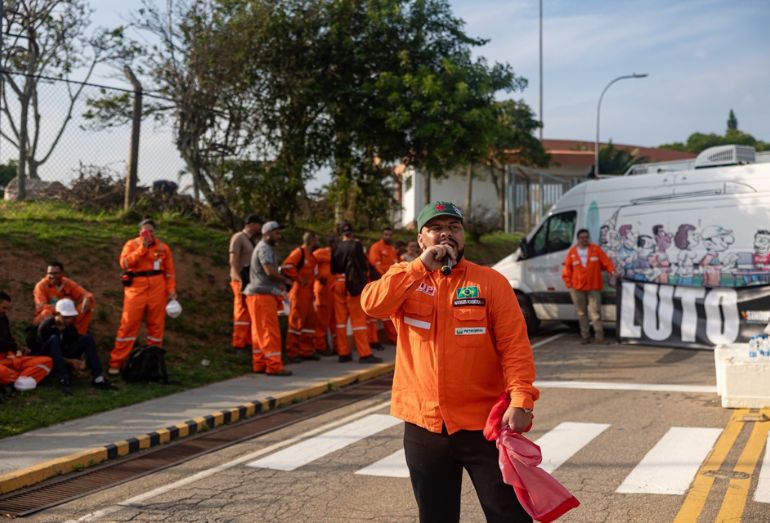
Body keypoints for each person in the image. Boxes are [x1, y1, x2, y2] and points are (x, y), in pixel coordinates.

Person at [361, 201, 537, 522]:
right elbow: (372, 305)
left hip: (482, 425)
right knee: (436, 516)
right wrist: (418, 267)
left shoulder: (490, 282)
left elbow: (514, 346)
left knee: (509, 515)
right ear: (421, 239)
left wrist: (521, 399)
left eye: (454, 227)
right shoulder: (405, 277)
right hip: (424, 426)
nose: (446, 234)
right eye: (436, 228)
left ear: (463, 236)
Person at [109, 218, 177, 373]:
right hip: (135, 288)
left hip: (157, 288)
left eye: (151, 231)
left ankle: (153, 362)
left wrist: (171, 290)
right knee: (128, 324)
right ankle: (116, 362)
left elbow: (170, 272)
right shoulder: (131, 244)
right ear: (139, 231)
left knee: (156, 326)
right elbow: (125, 264)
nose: (149, 234)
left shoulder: (163, 247)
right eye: (145, 231)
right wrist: (142, 248)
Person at [243, 221, 293, 376]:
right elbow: (269, 271)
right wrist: (284, 280)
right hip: (263, 295)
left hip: (256, 294)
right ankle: (274, 365)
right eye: (276, 233)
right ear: (267, 233)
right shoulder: (265, 248)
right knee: (269, 331)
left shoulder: (263, 247)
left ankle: (259, 363)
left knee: (258, 332)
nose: (279, 236)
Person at [36, 299, 115, 395]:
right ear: (57, 313)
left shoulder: (70, 327)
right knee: (54, 339)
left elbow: (74, 343)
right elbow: (47, 352)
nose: (69, 320)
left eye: (71, 317)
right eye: (65, 317)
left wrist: (82, 361)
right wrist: (70, 361)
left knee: (87, 338)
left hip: (63, 355)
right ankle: (64, 380)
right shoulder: (46, 327)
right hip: (46, 357)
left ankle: (98, 378)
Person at [331, 223, 382, 364]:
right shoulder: (356, 245)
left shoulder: (335, 246)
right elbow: (362, 264)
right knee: (358, 320)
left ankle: (343, 353)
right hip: (353, 284)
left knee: (340, 321)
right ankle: (364, 354)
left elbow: (333, 267)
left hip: (339, 283)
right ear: (352, 233)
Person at [562, 228, 617, 344]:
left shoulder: (596, 249)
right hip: (577, 288)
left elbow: (606, 262)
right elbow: (566, 270)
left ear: (589, 238)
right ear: (578, 239)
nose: (584, 240)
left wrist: (612, 271)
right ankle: (585, 337)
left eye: (586, 237)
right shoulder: (572, 252)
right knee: (581, 313)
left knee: (595, 313)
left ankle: (599, 337)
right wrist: (569, 284)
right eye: (582, 238)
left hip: (594, 287)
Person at [0, 291, 53, 393]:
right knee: (3, 372)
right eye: (4, 308)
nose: (5, 311)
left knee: (47, 361)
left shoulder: (3, 318)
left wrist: (19, 348)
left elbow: (9, 339)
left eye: (7, 309)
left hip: (10, 357)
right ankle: (20, 380)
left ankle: (14, 382)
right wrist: (14, 346)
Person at [281, 232, 322, 362]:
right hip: (299, 293)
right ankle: (292, 351)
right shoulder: (300, 252)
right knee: (296, 322)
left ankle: (307, 351)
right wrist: (298, 278)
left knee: (310, 323)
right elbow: (286, 266)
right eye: (316, 239)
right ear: (311, 241)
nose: (318, 242)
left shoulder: (311, 256)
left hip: (309, 293)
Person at [228, 214, 262, 354]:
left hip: (250, 279)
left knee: (249, 311)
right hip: (240, 278)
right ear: (251, 224)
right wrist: (237, 278)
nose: (259, 227)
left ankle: (248, 342)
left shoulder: (251, 240)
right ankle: (238, 344)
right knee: (241, 311)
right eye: (258, 224)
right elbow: (233, 260)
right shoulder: (238, 237)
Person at [33, 261, 95, 335]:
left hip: (67, 315)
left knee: (90, 302)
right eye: (50, 273)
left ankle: (78, 334)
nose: (52, 276)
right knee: (46, 312)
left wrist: (87, 298)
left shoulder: (67, 282)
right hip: (51, 315)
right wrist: (62, 312)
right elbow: (41, 307)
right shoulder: (41, 286)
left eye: (55, 273)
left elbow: (85, 294)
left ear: (62, 273)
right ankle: (46, 338)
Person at [367, 226, 399, 347]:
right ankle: (373, 341)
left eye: (390, 235)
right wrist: (388, 277)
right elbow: (376, 265)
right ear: (381, 235)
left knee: (389, 313)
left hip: (391, 283)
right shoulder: (376, 247)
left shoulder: (392, 249)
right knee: (374, 315)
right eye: (386, 234)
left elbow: (397, 265)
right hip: (379, 282)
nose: (388, 237)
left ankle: (395, 338)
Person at [313, 237, 337, 355]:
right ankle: (320, 346)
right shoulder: (321, 252)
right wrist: (317, 277)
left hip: (333, 291)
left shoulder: (336, 254)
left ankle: (337, 346)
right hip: (323, 291)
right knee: (322, 320)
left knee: (334, 321)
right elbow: (310, 263)